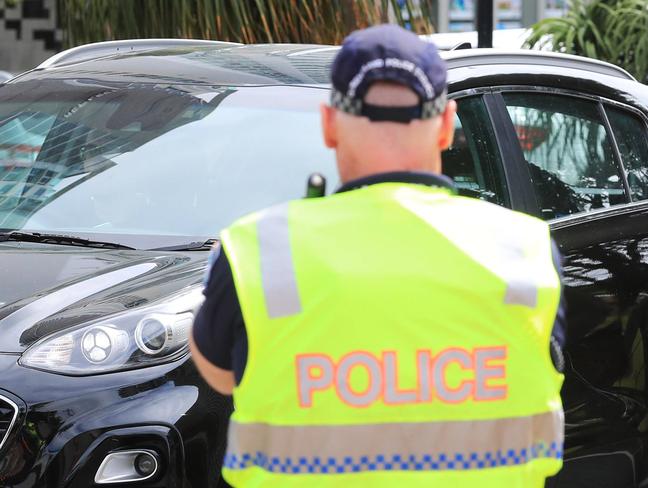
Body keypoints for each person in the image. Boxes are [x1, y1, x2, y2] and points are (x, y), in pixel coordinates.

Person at [191, 24, 566, 487]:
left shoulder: (258, 253)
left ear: (329, 124)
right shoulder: (527, 250)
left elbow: (219, 375)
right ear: (447, 125)